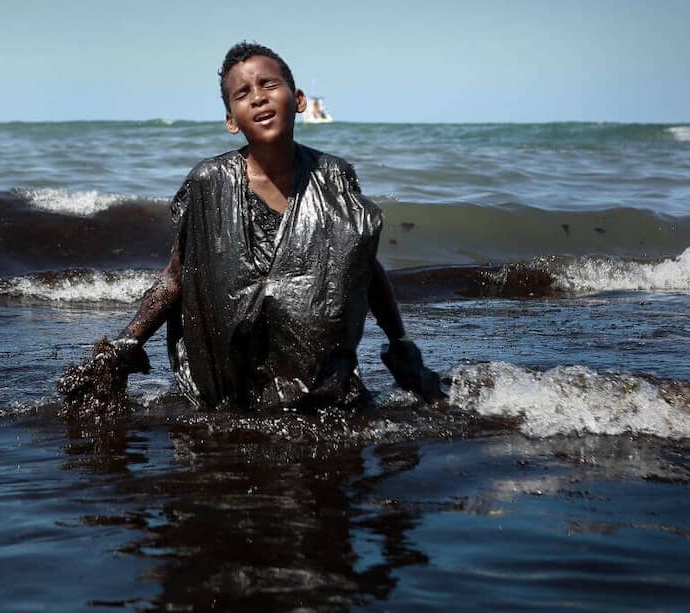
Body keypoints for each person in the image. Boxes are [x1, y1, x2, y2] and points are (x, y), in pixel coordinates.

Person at [60, 42, 444, 412]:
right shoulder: (208, 182)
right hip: (235, 388)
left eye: (269, 84)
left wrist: (400, 343)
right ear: (231, 120)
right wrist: (127, 344)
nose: (258, 97)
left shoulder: (334, 176)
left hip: (321, 385)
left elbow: (362, 265)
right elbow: (178, 276)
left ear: (298, 100)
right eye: (242, 93)